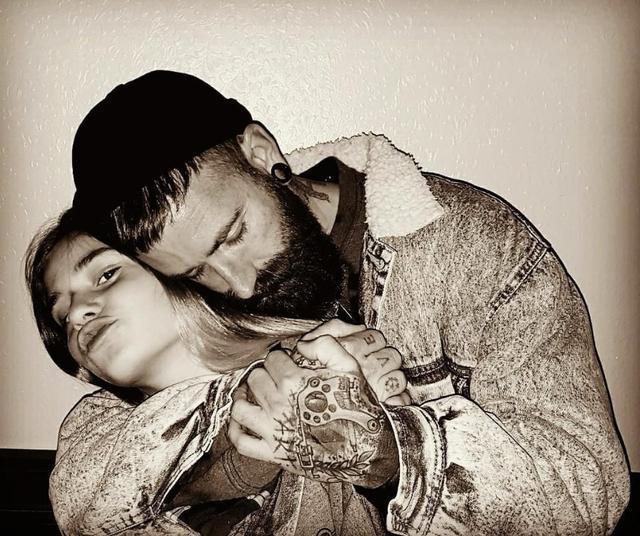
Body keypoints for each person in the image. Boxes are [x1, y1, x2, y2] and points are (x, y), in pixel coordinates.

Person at [64, 69, 630, 535]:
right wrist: (230, 449)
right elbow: (84, 488)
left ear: (260, 153)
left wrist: (388, 450)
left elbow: (589, 497)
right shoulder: (187, 301)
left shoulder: (477, 247)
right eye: (195, 272)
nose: (238, 285)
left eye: (233, 235)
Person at [25, 210, 409, 534]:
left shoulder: (329, 351)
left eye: (106, 275)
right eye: (62, 315)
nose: (78, 313)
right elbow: (89, 509)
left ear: (182, 271)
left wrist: (386, 426)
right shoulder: (93, 432)